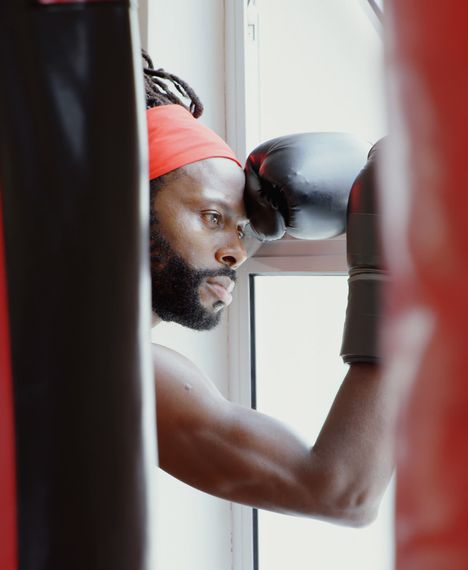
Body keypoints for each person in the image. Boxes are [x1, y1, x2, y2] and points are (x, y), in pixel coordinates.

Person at [143, 52, 403, 526]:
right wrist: (390, 279)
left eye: (245, 231)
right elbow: (340, 491)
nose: (236, 254)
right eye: (213, 218)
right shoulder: (100, 358)